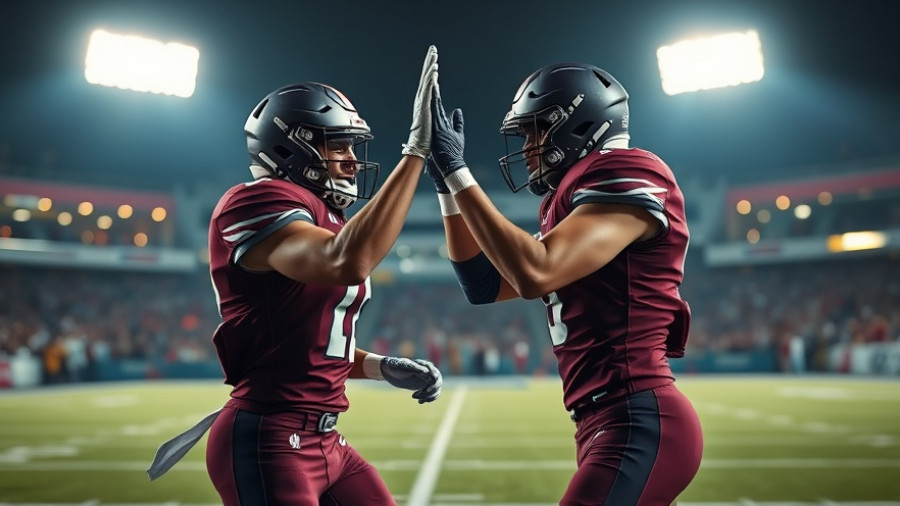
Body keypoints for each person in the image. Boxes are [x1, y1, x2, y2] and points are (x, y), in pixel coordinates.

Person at [147, 46, 443, 506]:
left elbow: (306, 344)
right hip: (269, 436)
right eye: (338, 145)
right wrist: (416, 153)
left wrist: (378, 366)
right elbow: (347, 262)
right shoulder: (255, 199)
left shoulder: (324, 217)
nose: (350, 159)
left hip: (325, 441)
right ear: (294, 145)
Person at [425, 62, 703, 505]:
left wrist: (461, 173)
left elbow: (536, 272)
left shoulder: (627, 168)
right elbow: (482, 284)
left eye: (536, 132)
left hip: (639, 416)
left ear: (579, 123)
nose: (529, 148)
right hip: (602, 420)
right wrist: (445, 186)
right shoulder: (573, 201)